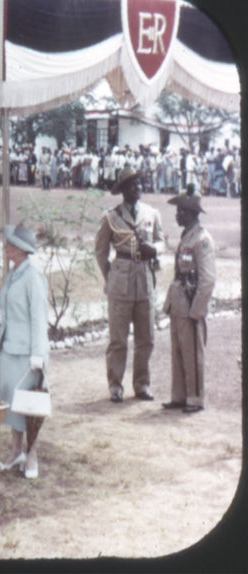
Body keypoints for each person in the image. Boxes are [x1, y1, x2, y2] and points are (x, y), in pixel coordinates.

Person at [95, 167, 164, 402]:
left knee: (147, 337)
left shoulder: (152, 214)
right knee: (118, 339)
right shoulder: (111, 217)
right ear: (123, 190)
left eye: (141, 183)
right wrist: (111, 276)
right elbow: (100, 252)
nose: (139, 188)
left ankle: (142, 384)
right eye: (133, 185)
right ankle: (115, 385)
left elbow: (162, 241)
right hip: (120, 281)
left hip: (145, 280)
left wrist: (154, 249)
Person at [0, 223, 49, 480]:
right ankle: (15, 451)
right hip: (9, 349)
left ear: (21, 249)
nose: (6, 246)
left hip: (28, 353)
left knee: (31, 406)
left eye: (10, 243)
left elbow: (39, 318)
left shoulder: (33, 276)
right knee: (12, 404)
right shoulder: (13, 273)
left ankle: (32, 456)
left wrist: (38, 356)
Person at [162, 187, 216, 413]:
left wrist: (197, 310)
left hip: (190, 301)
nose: (177, 215)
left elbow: (208, 279)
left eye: (180, 211)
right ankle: (179, 395)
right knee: (178, 349)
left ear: (191, 213)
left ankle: (194, 398)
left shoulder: (201, 239)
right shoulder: (187, 235)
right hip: (179, 300)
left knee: (192, 350)